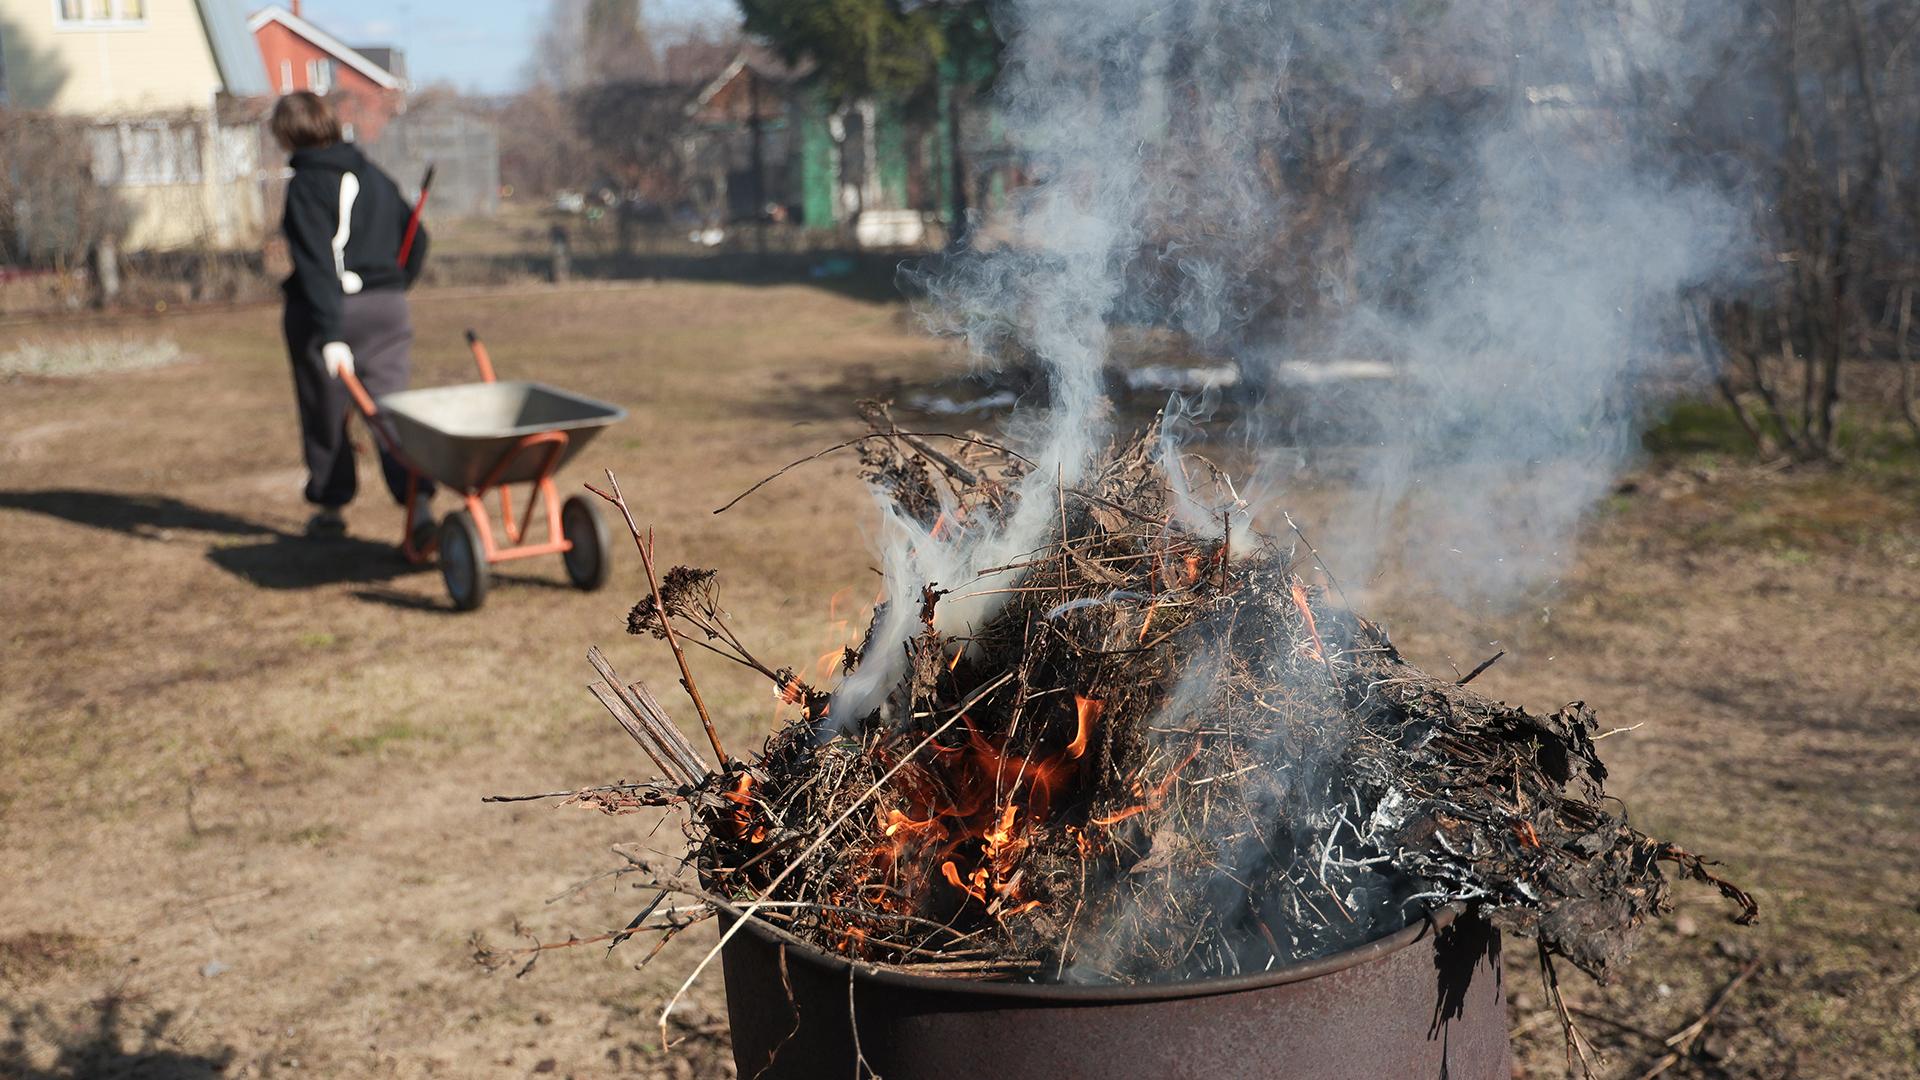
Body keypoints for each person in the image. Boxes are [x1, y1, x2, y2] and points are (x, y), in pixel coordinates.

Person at [271, 91, 432, 542]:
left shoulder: (306, 185)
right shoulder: (374, 175)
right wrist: (395, 284)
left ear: (286, 135)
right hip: (387, 310)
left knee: (325, 413)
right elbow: (418, 238)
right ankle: (417, 503)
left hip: (330, 313)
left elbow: (317, 265)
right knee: (390, 412)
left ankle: (330, 504)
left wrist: (330, 333)